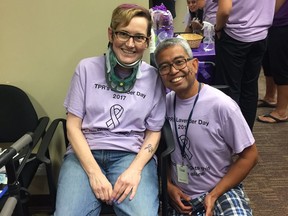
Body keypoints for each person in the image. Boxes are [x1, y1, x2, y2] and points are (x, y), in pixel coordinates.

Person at [54, 4, 166, 216]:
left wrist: (135, 170)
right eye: (123, 34)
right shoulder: (86, 69)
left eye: (139, 37)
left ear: (147, 42)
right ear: (111, 33)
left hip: (131, 156)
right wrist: (93, 172)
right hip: (85, 154)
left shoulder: (154, 77)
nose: (130, 44)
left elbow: (154, 132)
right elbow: (73, 126)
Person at [154, 37, 258, 216]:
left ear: (194, 65)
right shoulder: (162, 105)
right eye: (164, 67)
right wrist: (169, 187)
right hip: (181, 196)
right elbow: (162, 156)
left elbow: (250, 156)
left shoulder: (222, 105)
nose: (173, 71)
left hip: (220, 189)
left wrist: (215, 193)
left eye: (179, 62)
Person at [213, 0, 276, 130]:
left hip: (234, 34)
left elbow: (224, 10)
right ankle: (246, 134)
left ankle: (231, 135)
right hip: (260, 34)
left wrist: (217, 28)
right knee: (250, 87)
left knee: (229, 89)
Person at [257, 0, 288, 123]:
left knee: (281, 66)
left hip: (282, 22)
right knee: (269, 61)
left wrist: (266, 15)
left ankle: (281, 111)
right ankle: (270, 97)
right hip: (271, 23)